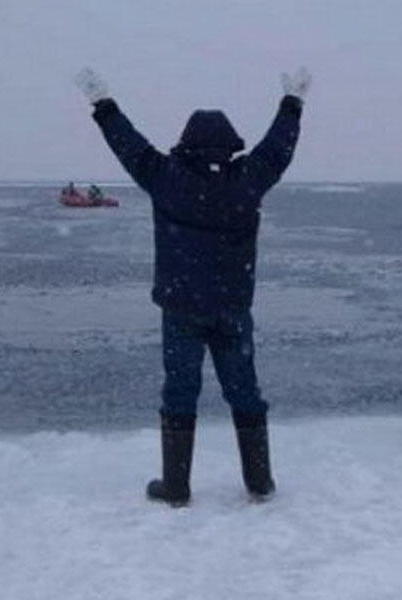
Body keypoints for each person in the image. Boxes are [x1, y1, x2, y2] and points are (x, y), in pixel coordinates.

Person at [75, 66, 311, 507]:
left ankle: (176, 487)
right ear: (230, 145)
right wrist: (292, 103)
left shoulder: (167, 177)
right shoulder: (247, 180)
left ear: (187, 143)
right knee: (245, 391)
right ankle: (259, 482)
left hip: (181, 308)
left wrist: (102, 103)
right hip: (232, 308)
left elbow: (128, 144)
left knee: (180, 392)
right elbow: (278, 149)